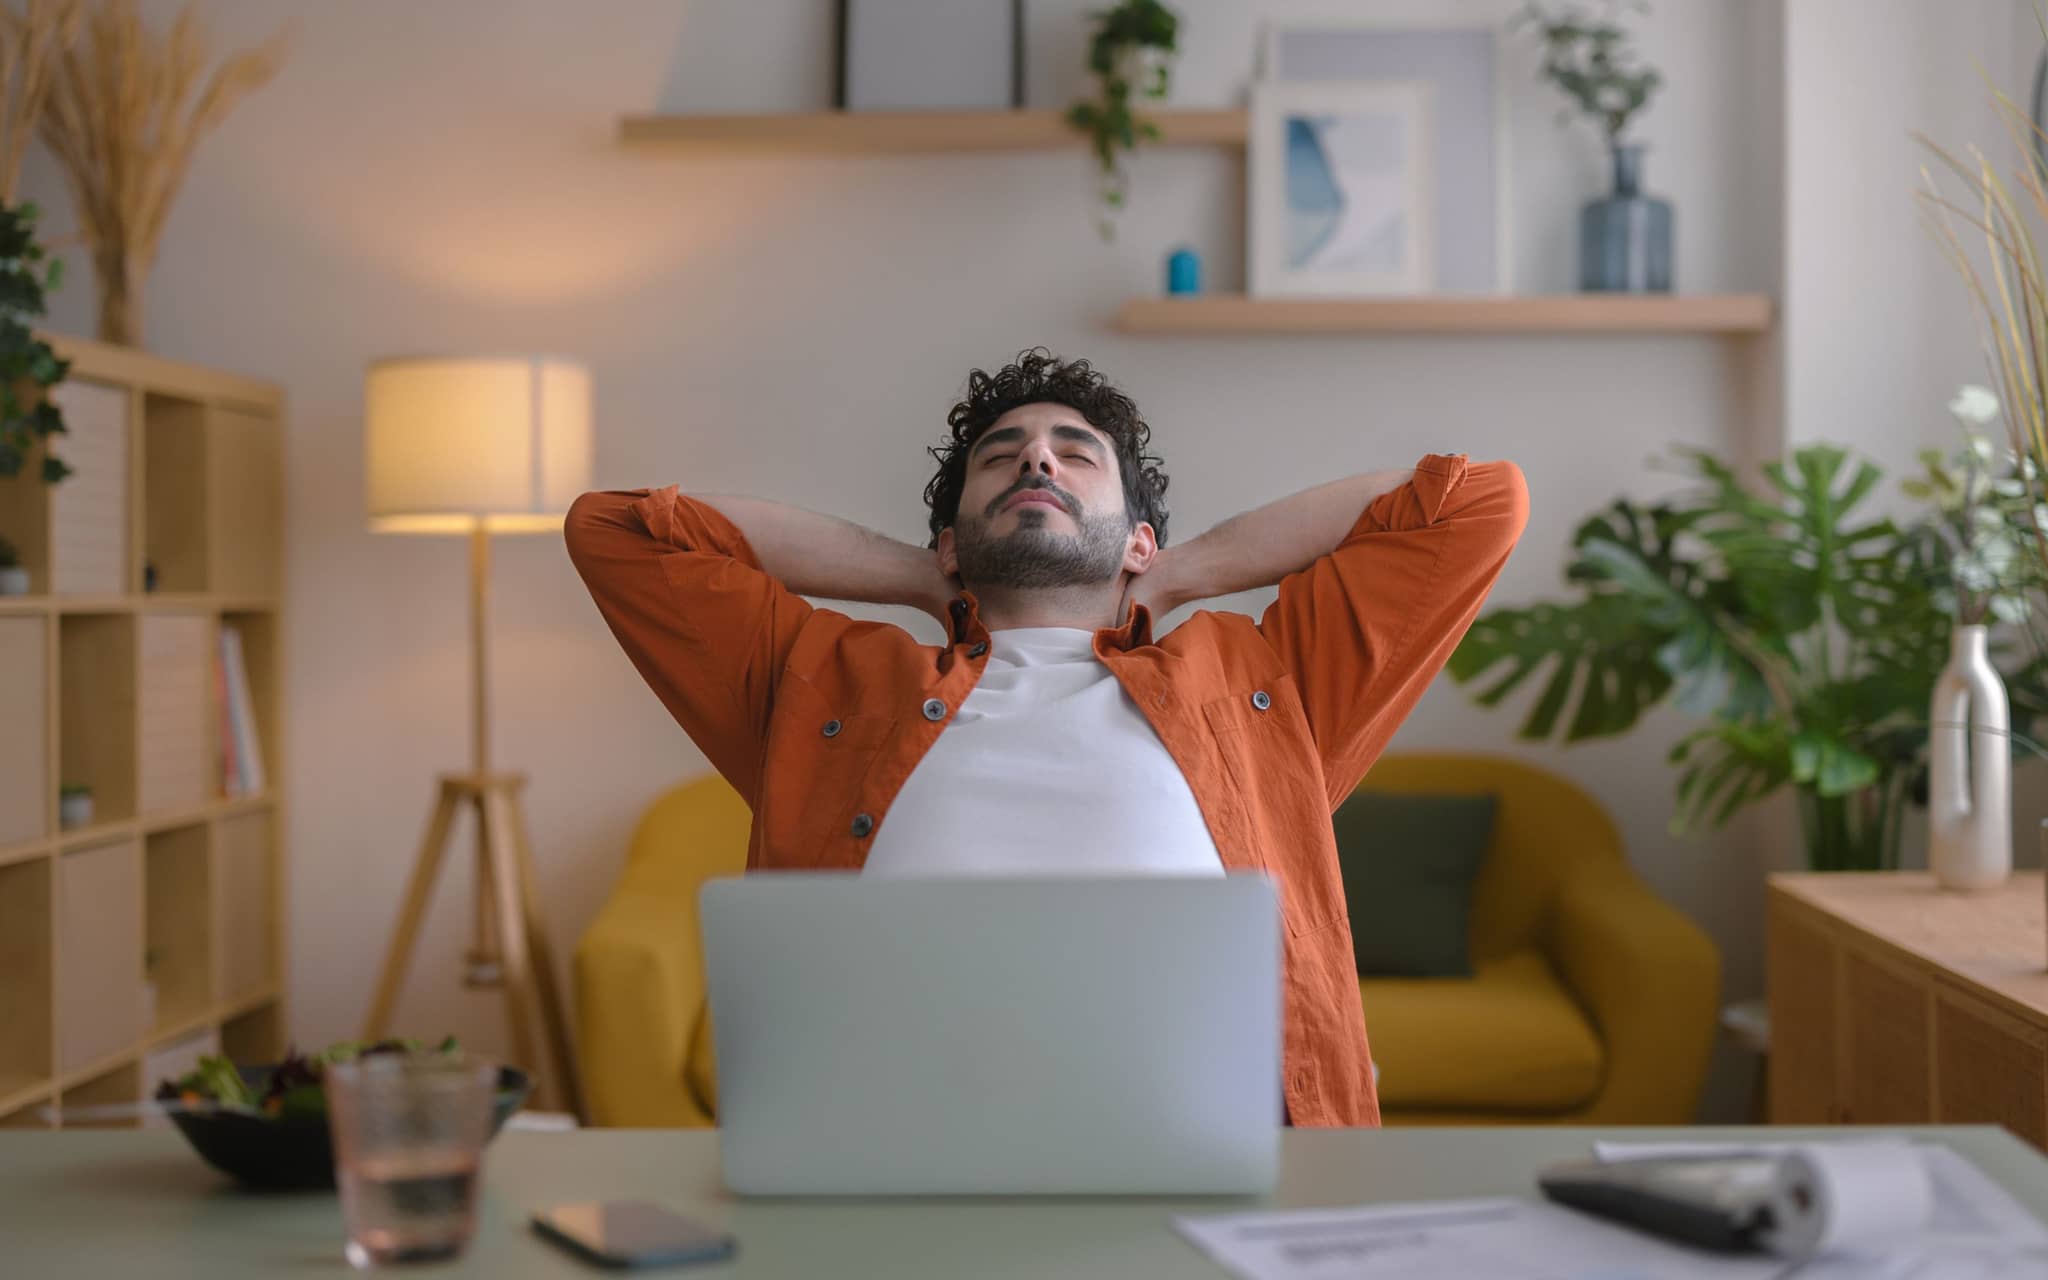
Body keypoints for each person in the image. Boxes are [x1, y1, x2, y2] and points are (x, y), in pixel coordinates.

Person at [565, 348, 1529, 1128]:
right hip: (892, 1147)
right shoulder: (828, 681)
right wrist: (915, 576)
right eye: (1003, 454)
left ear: (1137, 537)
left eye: (1076, 452)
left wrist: (1182, 573)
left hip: (1214, 1150)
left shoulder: (1257, 683)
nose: (1037, 460)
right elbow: (616, 530)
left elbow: (1474, 503)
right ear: (951, 541)